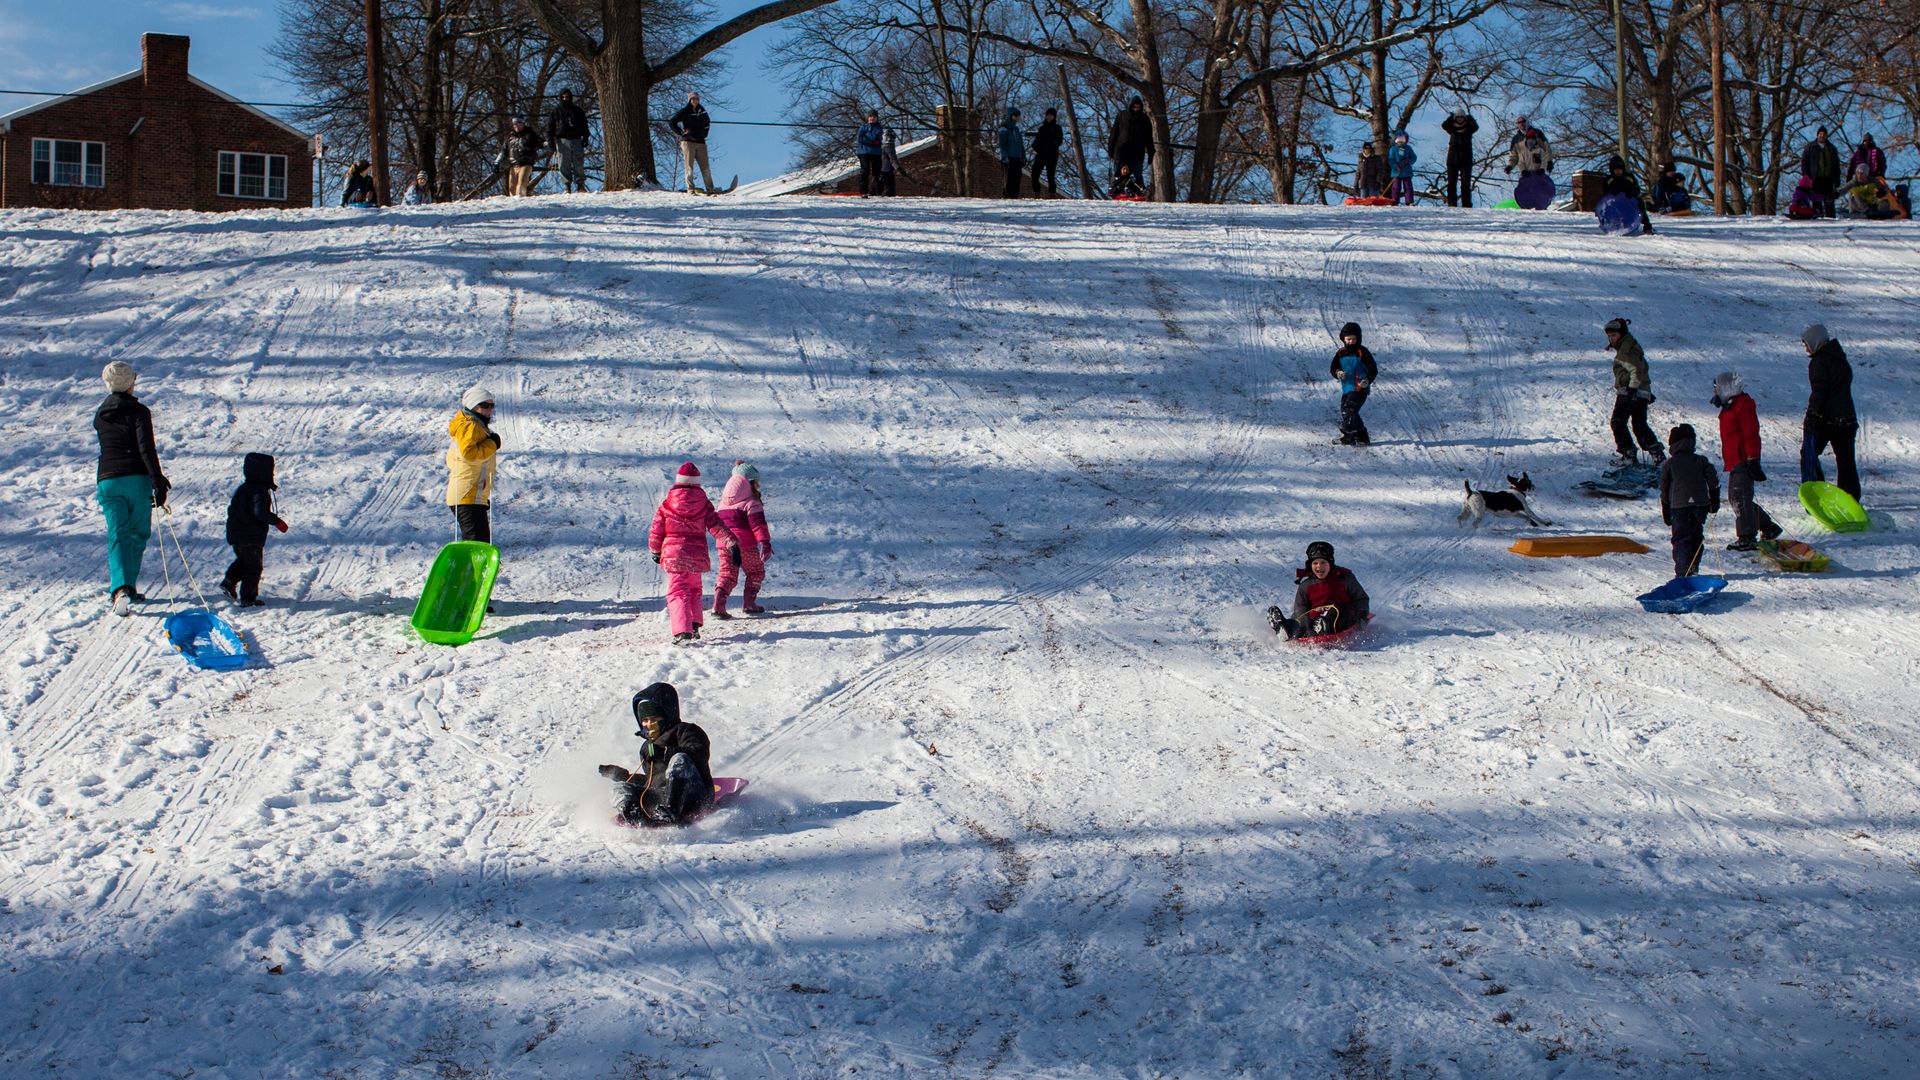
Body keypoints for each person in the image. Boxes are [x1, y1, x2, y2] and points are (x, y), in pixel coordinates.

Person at [94, 361, 170, 617]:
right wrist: (157, 480)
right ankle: (127, 587)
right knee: (137, 533)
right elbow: (145, 448)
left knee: (117, 534)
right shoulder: (139, 412)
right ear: (131, 383)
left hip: (107, 479)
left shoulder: (100, 414)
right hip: (136, 479)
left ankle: (122, 589)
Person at [599, 683, 714, 826]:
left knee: (679, 759)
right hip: (660, 801)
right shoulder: (647, 747)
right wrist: (622, 776)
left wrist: (666, 752)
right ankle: (635, 818)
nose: (649, 724)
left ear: (667, 715)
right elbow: (651, 782)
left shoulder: (686, 731)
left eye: (654, 719)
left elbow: (699, 753)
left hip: (694, 796)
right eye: (645, 720)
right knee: (619, 788)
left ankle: (673, 811)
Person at [649, 462, 738, 645]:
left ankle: (682, 631)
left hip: (675, 555)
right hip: (696, 555)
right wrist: (732, 543)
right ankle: (694, 623)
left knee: (677, 592)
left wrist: (655, 550)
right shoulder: (704, 504)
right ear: (697, 483)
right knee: (694, 589)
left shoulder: (667, 504)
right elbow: (716, 526)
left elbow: (657, 529)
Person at [1711, 372, 1781, 551]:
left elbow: (1751, 434)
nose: (1715, 392)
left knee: (1740, 498)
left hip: (1743, 459)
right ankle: (1768, 527)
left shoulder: (1743, 406)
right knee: (1738, 497)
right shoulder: (1731, 406)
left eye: (1717, 389)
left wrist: (1753, 459)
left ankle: (1747, 536)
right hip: (1735, 459)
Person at [1799, 324, 1859, 501]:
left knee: (1809, 454)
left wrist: (1811, 414)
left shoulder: (1819, 362)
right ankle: (1851, 498)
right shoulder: (1838, 356)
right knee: (1846, 461)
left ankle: (1816, 496)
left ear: (1816, 342)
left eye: (1807, 344)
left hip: (1827, 420)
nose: (1806, 348)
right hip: (1847, 419)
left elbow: (1820, 392)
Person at [220, 452, 287, 607]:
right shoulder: (259, 492)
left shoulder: (244, 488)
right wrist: (276, 521)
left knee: (244, 561)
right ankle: (248, 599)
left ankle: (229, 581)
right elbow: (260, 513)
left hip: (237, 533)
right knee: (253, 568)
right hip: (250, 536)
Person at [1266, 541, 1371, 639]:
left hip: (1344, 617)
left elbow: (1361, 599)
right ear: (1310, 565)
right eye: (1315, 563)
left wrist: (1361, 617)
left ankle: (1321, 625)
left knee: (1335, 611)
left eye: (1323, 562)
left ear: (1330, 563)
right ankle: (1287, 629)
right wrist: (1302, 622)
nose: (1319, 566)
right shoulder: (1306, 585)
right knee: (1301, 620)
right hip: (1315, 621)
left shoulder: (1344, 578)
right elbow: (1300, 609)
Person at [713, 461, 773, 618]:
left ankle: (718, 605)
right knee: (755, 572)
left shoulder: (722, 504)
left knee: (727, 574)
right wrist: (765, 542)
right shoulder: (751, 502)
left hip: (724, 544)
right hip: (745, 545)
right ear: (751, 483)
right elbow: (758, 525)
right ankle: (749, 604)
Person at [1658, 424, 1720, 578]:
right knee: (1696, 537)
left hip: (1679, 507)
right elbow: (1713, 480)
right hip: (1700, 505)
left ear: (1672, 444)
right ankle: (1693, 568)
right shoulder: (1701, 460)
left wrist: (1665, 508)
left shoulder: (1670, 464)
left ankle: (1683, 572)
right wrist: (1714, 498)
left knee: (1681, 539)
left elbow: (1664, 487)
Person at [1604, 316, 1664, 466]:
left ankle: (1628, 453)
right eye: (1609, 336)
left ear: (1622, 334)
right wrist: (1645, 391)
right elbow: (1642, 369)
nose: (1611, 339)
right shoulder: (1631, 346)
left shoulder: (1626, 348)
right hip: (1640, 392)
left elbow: (1635, 370)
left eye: (1614, 335)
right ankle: (1657, 453)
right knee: (1639, 424)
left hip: (1629, 392)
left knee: (1618, 422)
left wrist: (1632, 388)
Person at [446, 385, 499, 544]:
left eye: (491, 405)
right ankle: (467, 569)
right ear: (473, 406)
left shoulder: (475, 425)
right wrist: (492, 444)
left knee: (480, 542)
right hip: (467, 495)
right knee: (476, 544)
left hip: (471, 495)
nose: (489, 410)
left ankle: (474, 569)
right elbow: (468, 454)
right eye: (484, 405)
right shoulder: (471, 425)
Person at [1330, 321, 1378, 446]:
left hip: (1360, 388)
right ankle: (1362, 436)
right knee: (1348, 411)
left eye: (1353, 339)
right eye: (1348, 339)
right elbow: (1333, 368)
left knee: (1349, 410)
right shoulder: (1341, 353)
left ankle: (1348, 436)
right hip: (1347, 388)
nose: (1350, 341)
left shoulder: (1362, 352)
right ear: (1343, 339)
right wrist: (1338, 373)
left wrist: (1367, 380)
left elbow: (1373, 369)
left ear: (1358, 339)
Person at [670, 91, 716, 193]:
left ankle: (710, 189)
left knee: (705, 167)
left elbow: (707, 124)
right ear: (690, 100)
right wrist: (681, 132)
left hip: (701, 142)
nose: (695, 100)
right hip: (688, 142)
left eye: (697, 99)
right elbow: (672, 122)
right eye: (693, 99)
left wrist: (704, 133)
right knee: (689, 166)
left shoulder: (702, 111)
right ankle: (690, 189)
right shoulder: (685, 111)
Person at [548, 88, 590, 193]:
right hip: (562, 141)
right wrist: (551, 142)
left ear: (571, 97)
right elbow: (550, 127)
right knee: (563, 164)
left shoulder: (577, 110)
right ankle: (567, 186)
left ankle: (580, 185)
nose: (565, 99)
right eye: (563, 97)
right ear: (560, 98)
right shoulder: (556, 111)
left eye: (567, 97)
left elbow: (584, 125)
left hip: (576, 139)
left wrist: (585, 137)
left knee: (578, 164)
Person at [1601, 154, 1655, 234]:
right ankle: (1613, 225)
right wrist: (1612, 195)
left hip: (1629, 201)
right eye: (1616, 170)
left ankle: (1647, 226)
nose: (1618, 172)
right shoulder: (1609, 180)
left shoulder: (1629, 177)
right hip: (1615, 203)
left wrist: (1632, 194)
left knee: (1640, 203)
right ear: (1612, 170)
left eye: (1620, 169)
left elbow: (1636, 189)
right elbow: (1604, 193)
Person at [1108, 95, 1152, 191]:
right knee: (1118, 173)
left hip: (1137, 153)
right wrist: (1110, 150)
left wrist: (1151, 153)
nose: (1136, 109)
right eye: (1134, 107)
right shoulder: (1122, 116)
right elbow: (1114, 134)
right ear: (1131, 106)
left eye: (1138, 107)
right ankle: (1115, 189)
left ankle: (1139, 190)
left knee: (1137, 174)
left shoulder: (1145, 119)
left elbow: (1149, 138)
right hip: (1121, 152)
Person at [1800, 127, 1841, 218]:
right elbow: (1804, 162)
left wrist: (1837, 179)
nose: (1822, 136)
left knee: (1829, 202)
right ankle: (1818, 218)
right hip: (1815, 179)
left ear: (1826, 136)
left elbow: (1836, 165)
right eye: (1820, 134)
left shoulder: (1831, 148)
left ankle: (1831, 221)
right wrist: (1805, 176)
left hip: (1828, 179)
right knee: (1816, 201)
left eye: (1824, 134)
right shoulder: (1810, 147)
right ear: (1817, 135)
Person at [1441, 111, 1478, 207]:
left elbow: (1475, 127)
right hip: (1452, 159)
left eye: (1462, 116)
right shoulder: (1452, 129)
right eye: (1457, 117)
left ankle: (1466, 203)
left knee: (1466, 183)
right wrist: (1451, 117)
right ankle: (1452, 203)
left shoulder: (1469, 128)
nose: (1460, 118)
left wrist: (1469, 117)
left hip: (1466, 159)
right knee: (1451, 183)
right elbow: (1444, 125)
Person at [500, 116, 544, 197]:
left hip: (526, 164)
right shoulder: (510, 137)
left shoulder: (530, 135)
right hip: (513, 165)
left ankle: (521, 201)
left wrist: (550, 144)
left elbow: (541, 143)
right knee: (512, 189)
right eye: (514, 124)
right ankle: (514, 207)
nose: (516, 125)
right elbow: (503, 151)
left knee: (521, 185)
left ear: (523, 124)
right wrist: (497, 163)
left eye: (518, 123)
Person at [1031, 107, 1064, 196]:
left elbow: (1059, 141)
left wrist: (1052, 144)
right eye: (1048, 115)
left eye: (1051, 115)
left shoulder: (1057, 128)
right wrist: (1037, 148)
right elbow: (1036, 142)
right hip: (1041, 154)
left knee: (1050, 175)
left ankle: (1052, 193)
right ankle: (1037, 192)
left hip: (1052, 155)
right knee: (1035, 173)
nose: (1049, 117)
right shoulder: (1042, 128)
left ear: (1054, 117)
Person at [997, 106, 1026, 199]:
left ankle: (1014, 196)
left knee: (1017, 178)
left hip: (1017, 158)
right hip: (1008, 158)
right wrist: (1004, 156)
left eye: (1018, 116)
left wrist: (1023, 156)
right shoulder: (1004, 129)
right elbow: (1002, 145)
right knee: (1008, 178)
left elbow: (1021, 145)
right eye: (1015, 116)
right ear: (1010, 116)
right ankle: (1006, 196)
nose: (1017, 118)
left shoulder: (1016, 130)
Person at [856, 111, 885, 197]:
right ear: (868, 118)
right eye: (870, 116)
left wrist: (869, 138)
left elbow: (878, 137)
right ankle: (863, 192)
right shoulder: (863, 127)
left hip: (876, 153)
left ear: (877, 118)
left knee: (877, 172)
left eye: (874, 117)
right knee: (865, 171)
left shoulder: (879, 128)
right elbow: (860, 138)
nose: (872, 118)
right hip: (864, 152)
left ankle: (878, 192)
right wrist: (871, 141)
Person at [1386, 130, 1417, 205]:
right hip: (1396, 172)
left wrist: (1408, 161)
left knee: (1408, 187)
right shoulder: (1393, 149)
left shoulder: (1408, 148)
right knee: (1396, 187)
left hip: (1407, 171)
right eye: (1399, 140)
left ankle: (1409, 201)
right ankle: (1394, 201)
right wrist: (1396, 166)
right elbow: (1391, 159)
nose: (1401, 142)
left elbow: (1414, 157)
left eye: (1403, 140)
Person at [879, 128, 902, 196]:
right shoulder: (889, 146)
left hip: (881, 168)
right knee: (889, 185)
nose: (890, 139)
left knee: (880, 182)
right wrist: (898, 167)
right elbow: (893, 159)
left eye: (891, 137)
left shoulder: (882, 146)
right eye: (888, 137)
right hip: (886, 169)